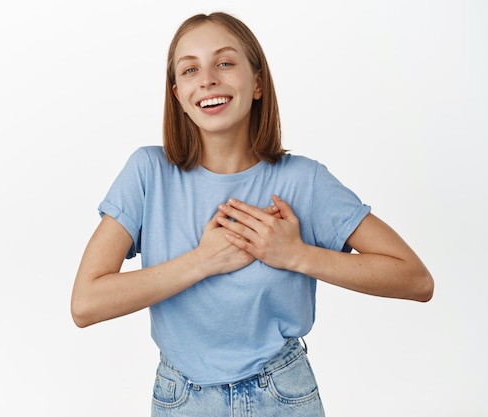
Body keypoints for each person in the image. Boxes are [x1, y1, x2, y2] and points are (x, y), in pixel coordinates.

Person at [71, 11, 433, 417]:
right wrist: (202, 262)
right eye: (190, 69)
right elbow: (86, 303)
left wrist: (296, 255)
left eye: (225, 63)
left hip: (282, 394)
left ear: (257, 83)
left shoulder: (304, 181)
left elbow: (415, 280)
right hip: (181, 398)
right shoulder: (147, 173)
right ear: (177, 94)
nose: (208, 79)